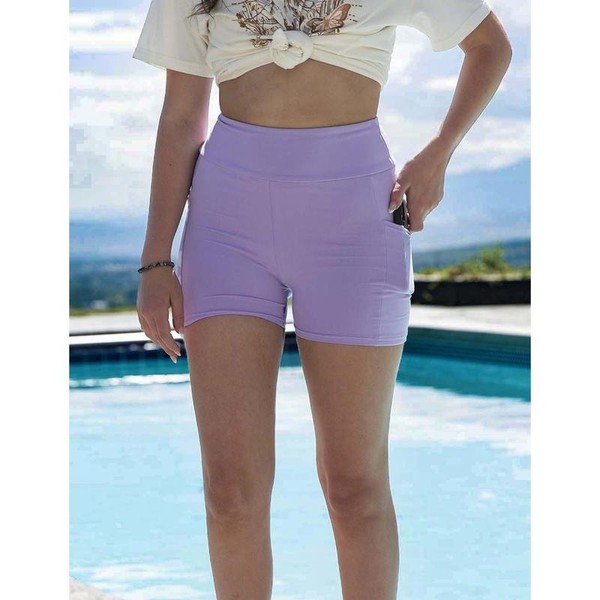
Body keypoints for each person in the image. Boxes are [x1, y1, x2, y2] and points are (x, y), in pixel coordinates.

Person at [133, 1, 511, 597]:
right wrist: (156, 259)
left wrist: (439, 151)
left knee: (353, 488)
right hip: (226, 225)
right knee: (229, 493)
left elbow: (490, 46)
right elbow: (181, 118)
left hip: (355, 222)